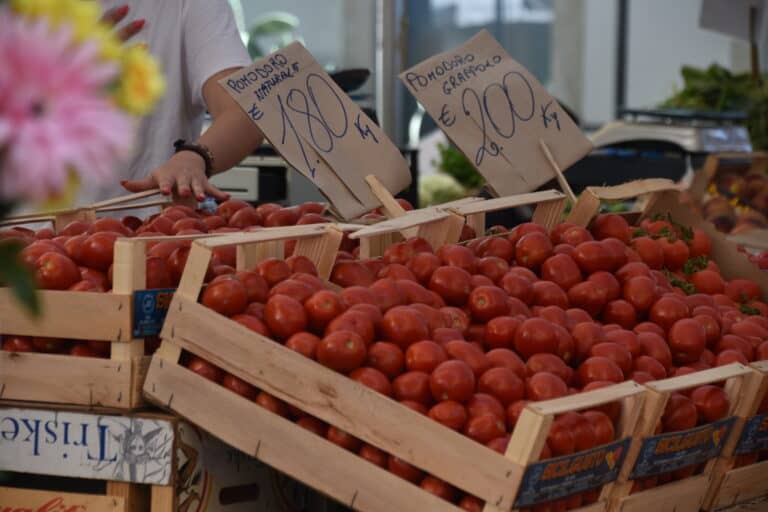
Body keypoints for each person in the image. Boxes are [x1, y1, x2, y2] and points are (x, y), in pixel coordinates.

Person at [93, 0, 264, 205]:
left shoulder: (188, 5)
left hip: (155, 228)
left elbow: (246, 108)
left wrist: (195, 157)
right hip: (45, 227)